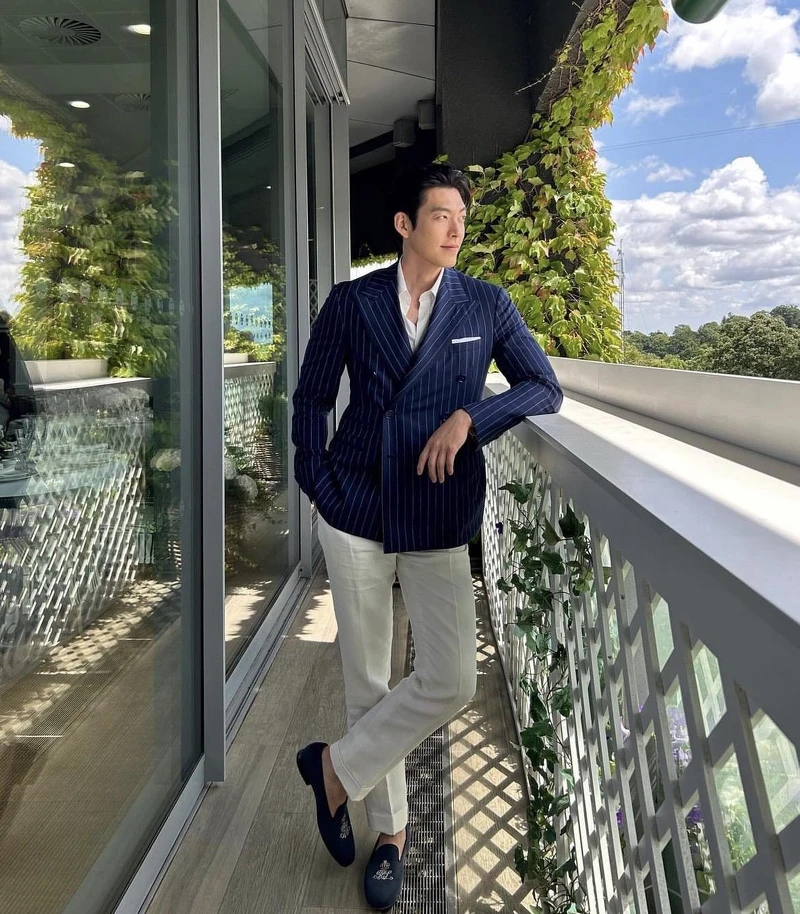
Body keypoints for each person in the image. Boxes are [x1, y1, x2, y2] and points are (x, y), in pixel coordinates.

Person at [292, 163, 562, 909]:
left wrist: (471, 417)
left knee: (450, 678)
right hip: (355, 504)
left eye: (461, 218)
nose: (456, 230)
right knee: (368, 680)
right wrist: (317, 482)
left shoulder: (485, 302)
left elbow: (544, 386)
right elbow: (312, 397)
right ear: (405, 225)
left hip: (438, 508)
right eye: (442, 215)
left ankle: (333, 770)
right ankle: (391, 835)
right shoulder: (353, 302)